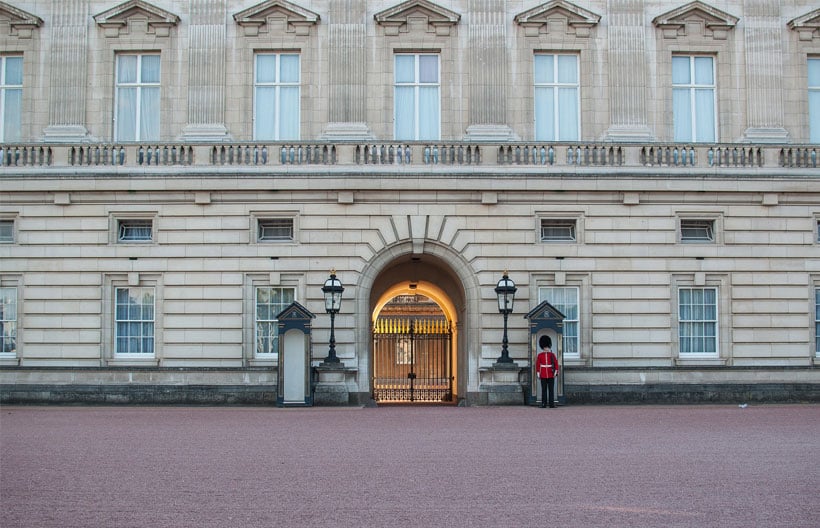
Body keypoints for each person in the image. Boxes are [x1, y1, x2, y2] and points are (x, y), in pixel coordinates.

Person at [535, 335, 559, 408]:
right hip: (543, 374)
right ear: (543, 347)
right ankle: (543, 404)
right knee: (544, 390)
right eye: (545, 347)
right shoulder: (540, 355)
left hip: (551, 374)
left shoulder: (552, 355)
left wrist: (556, 372)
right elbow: (538, 364)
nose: (546, 348)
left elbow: (556, 363)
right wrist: (538, 372)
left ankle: (551, 404)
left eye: (547, 347)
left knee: (551, 390)